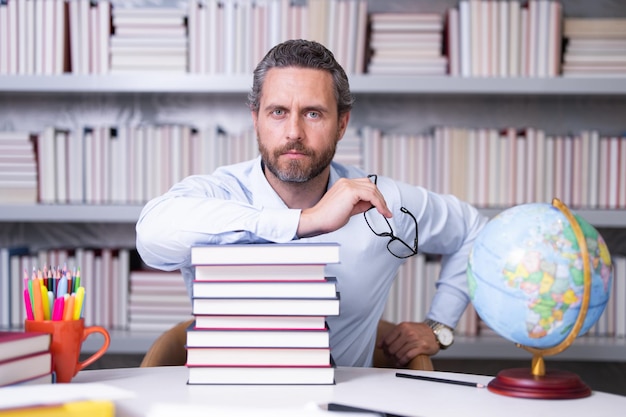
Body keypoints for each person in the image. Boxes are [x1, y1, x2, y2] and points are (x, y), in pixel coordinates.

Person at [136, 39, 488, 368]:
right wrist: (307, 221)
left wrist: (440, 326)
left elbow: (474, 230)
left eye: (313, 113)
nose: (293, 132)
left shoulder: (383, 205)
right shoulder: (221, 192)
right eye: (277, 112)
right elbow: (151, 238)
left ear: (342, 124)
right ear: (255, 119)